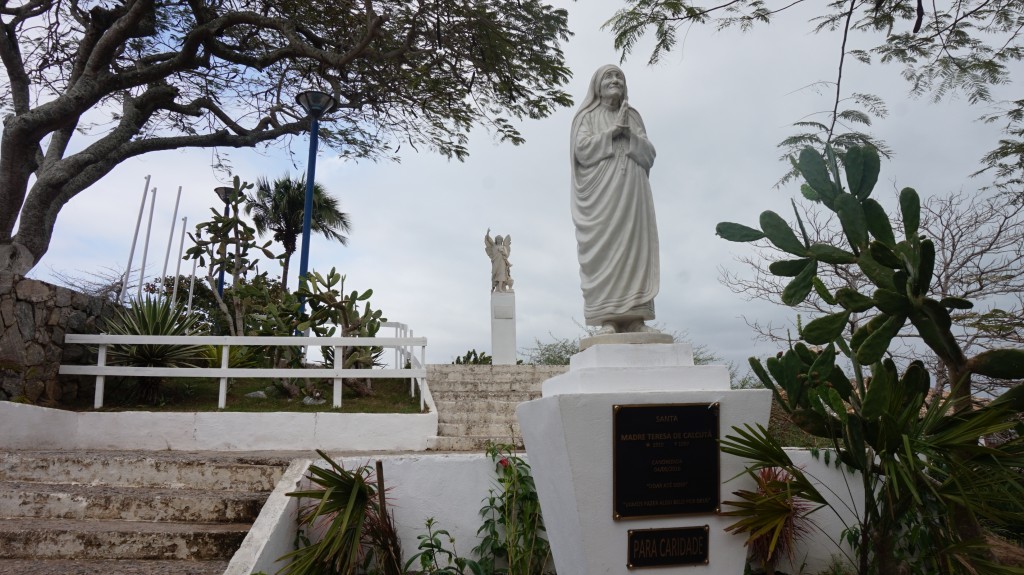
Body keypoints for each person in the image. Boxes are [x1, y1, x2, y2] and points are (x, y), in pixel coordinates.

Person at [570, 65, 660, 335]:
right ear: (597, 85)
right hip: (602, 197)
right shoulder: (587, 116)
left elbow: (649, 155)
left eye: (619, 76)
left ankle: (636, 319)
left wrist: (628, 133)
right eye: (608, 77)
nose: (615, 80)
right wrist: (612, 132)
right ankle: (607, 318)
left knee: (635, 249)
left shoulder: (632, 115)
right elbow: (581, 151)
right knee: (606, 250)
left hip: (632, 196)